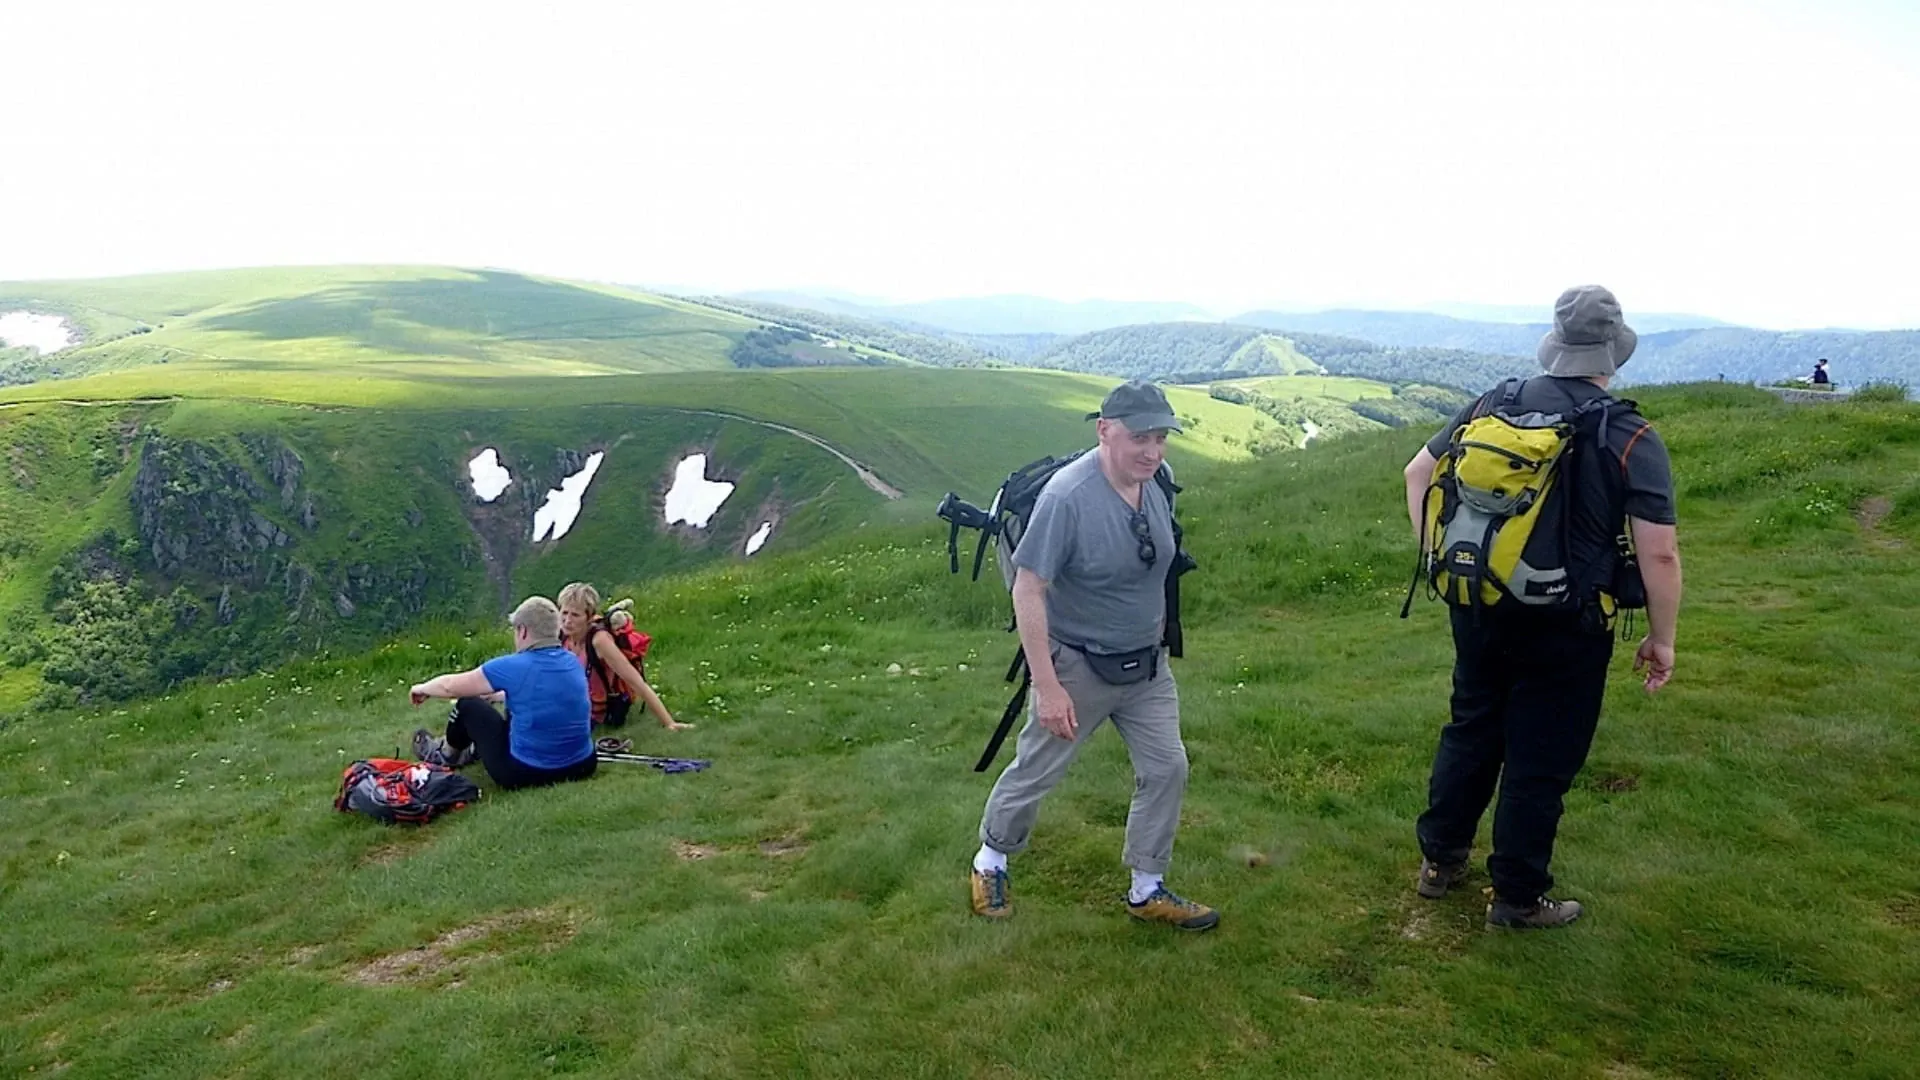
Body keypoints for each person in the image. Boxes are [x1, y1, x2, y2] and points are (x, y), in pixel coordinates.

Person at [1400, 285, 1683, 930]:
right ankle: (1517, 898)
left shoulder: (1492, 402)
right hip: (1569, 620)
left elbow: (1417, 475)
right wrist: (1662, 638)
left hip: (1477, 603)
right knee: (1540, 755)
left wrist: (1439, 558)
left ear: (1555, 346)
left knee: (1471, 725)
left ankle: (1440, 863)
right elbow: (1659, 556)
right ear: (1612, 354)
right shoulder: (1627, 432)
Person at [968, 380, 1217, 931]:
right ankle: (991, 860)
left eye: (1160, 438)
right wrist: (1048, 685)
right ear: (1105, 431)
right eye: (1139, 438)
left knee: (1167, 767)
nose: (1152, 451)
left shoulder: (1158, 481)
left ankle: (1146, 889)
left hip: (1146, 666)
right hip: (1078, 666)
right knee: (1036, 770)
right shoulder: (1066, 499)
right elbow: (1028, 590)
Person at [408, 596, 597, 790]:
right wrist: (496, 696)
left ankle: (446, 754)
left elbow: (450, 686)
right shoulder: (571, 660)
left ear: (522, 631)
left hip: (526, 771)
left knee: (469, 705)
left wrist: (422, 688)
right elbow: (544, 695)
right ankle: (470, 750)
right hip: (582, 764)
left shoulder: (513, 665)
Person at [556, 582, 691, 731]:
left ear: (589, 617)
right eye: (564, 613)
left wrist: (669, 723)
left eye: (575, 615)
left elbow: (636, 682)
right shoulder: (562, 635)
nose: (567, 620)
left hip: (597, 712)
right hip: (572, 701)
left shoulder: (599, 641)